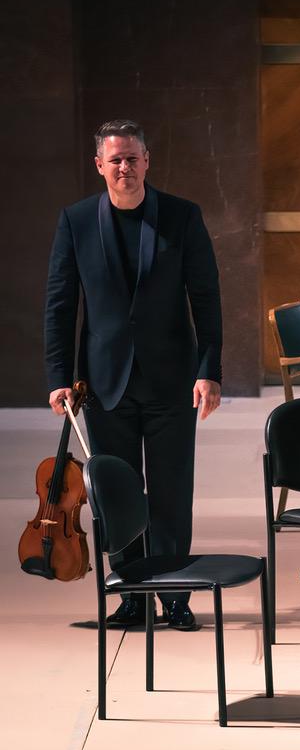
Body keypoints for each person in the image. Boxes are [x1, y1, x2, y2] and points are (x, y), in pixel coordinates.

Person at [45, 119, 223, 631]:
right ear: (99, 165)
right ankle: (131, 595)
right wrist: (59, 375)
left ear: (147, 161)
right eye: (115, 159)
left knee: (170, 492)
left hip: (172, 379)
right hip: (103, 386)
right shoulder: (75, 221)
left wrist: (209, 370)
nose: (125, 167)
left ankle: (174, 595)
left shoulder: (182, 217)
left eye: (133, 158)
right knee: (117, 494)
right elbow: (60, 305)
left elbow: (206, 299)